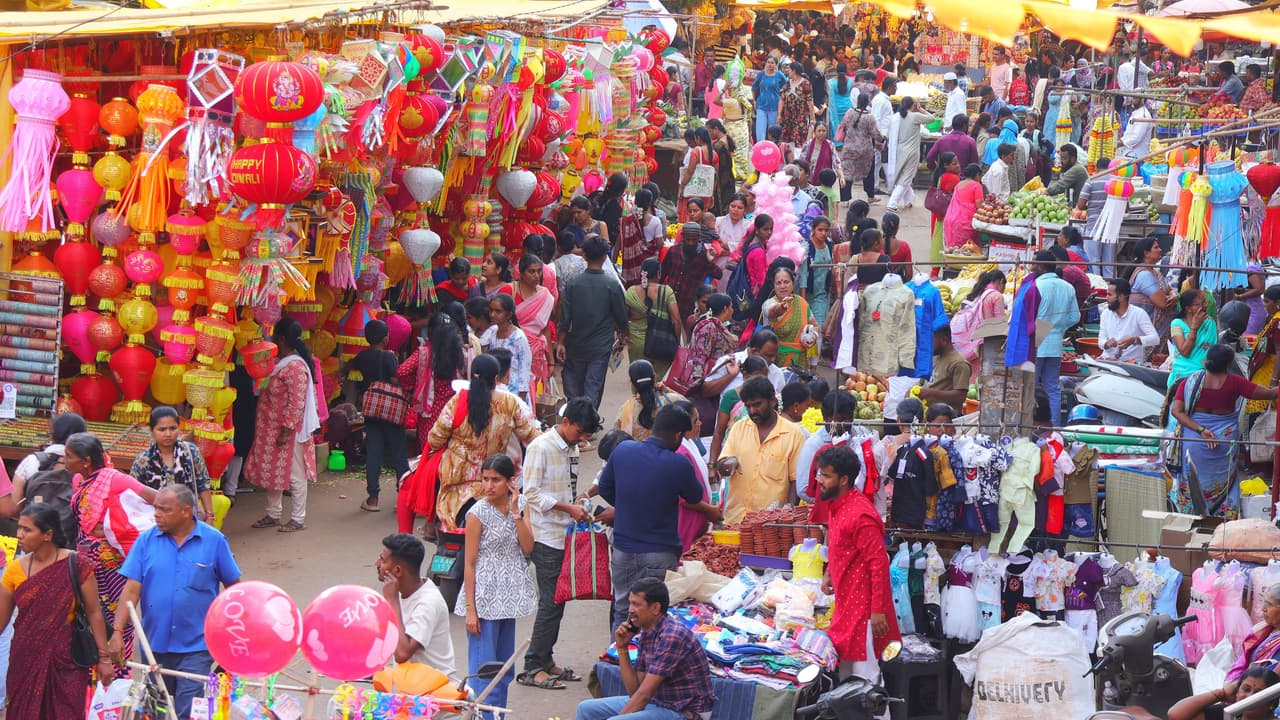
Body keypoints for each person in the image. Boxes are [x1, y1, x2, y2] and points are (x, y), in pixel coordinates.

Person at [112, 485, 241, 718]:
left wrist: (233, 633)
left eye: (165, 509)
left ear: (186, 511)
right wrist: (117, 632)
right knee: (158, 710)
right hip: (154, 645)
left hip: (197, 646)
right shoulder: (145, 541)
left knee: (187, 710)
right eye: (156, 508)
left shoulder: (214, 541)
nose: (157, 515)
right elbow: (130, 591)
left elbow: (234, 590)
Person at [601, 406, 722, 631]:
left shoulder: (623, 450)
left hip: (623, 551)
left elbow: (605, 488)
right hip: (659, 553)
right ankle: (647, 654)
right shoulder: (678, 463)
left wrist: (629, 505)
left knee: (623, 610)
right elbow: (694, 496)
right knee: (654, 617)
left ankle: (619, 653)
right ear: (677, 435)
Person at [0, 503, 115, 719]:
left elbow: (94, 613)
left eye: (27, 529)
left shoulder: (77, 565)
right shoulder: (14, 570)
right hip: (24, 658)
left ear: (47, 535)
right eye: (19, 528)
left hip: (66, 660)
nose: (19, 535)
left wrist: (104, 659)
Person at [518, 398, 600, 690]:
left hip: (565, 533)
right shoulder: (540, 447)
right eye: (579, 432)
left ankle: (545, 658)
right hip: (545, 536)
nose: (582, 439)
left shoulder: (572, 448)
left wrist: (578, 504)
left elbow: (568, 489)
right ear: (565, 423)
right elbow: (531, 494)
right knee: (551, 603)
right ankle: (532, 666)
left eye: (586, 435)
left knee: (558, 601)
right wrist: (567, 508)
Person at [66, 431, 156, 673]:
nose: (65, 460)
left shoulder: (115, 479)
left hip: (113, 568)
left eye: (69, 456)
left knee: (117, 620)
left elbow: (157, 499)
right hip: (86, 565)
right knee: (89, 617)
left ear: (86, 461)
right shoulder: (79, 481)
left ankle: (119, 676)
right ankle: (95, 674)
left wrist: (113, 527)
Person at [456, 455, 535, 714]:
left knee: (504, 669)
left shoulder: (520, 505)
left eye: (496, 480)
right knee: (484, 671)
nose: (489, 486)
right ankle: (481, 716)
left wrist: (516, 513)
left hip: (508, 598)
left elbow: (528, 546)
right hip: (484, 598)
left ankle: (497, 715)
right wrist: (471, 610)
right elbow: (469, 564)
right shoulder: (477, 513)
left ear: (510, 482)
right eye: (485, 479)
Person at [574, 578, 716, 720]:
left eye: (636, 604)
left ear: (655, 608)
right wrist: (622, 648)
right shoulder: (646, 632)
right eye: (630, 603)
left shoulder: (672, 636)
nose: (630, 610)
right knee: (585, 709)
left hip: (686, 711)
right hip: (658, 701)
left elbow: (643, 695)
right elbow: (635, 691)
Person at [816, 445, 899, 684]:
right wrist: (829, 572)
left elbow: (878, 565)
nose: (820, 481)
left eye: (826, 476)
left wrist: (877, 612)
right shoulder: (837, 504)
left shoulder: (861, 515)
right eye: (820, 474)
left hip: (863, 611)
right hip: (846, 604)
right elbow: (839, 546)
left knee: (865, 681)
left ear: (843, 480)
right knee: (847, 676)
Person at [431, 354, 541, 532]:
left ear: (471, 375)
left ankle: (432, 528)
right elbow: (530, 436)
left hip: (455, 481)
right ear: (496, 378)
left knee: (449, 528)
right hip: (493, 481)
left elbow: (435, 439)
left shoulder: (457, 402)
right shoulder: (509, 403)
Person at [1171, 344, 1278, 517]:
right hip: (1223, 442)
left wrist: (1201, 429)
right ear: (1228, 364)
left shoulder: (1189, 381)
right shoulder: (1236, 382)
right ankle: (1221, 521)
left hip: (1194, 440)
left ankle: (1191, 518)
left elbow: (1176, 411)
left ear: (1207, 361)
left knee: (1192, 481)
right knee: (1225, 481)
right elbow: (1270, 394)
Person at [247, 318, 319, 532]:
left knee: (295, 474)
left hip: (290, 430)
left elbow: (296, 402)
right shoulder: (280, 364)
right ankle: (273, 514)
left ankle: (298, 518)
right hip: (272, 428)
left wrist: (286, 430)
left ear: (281, 339)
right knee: (274, 472)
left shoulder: (295, 367)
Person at [715, 376, 808, 525]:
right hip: (734, 521)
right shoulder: (739, 428)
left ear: (772, 401)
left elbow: (795, 480)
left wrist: (788, 513)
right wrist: (727, 463)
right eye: (748, 406)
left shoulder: (793, 434)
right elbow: (721, 464)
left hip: (770, 525)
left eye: (757, 404)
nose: (752, 411)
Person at [558, 237, 628, 410]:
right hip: (600, 346)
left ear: (584, 255)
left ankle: (575, 417)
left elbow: (565, 318)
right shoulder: (612, 285)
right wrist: (623, 334)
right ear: (605, 257)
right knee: (593, 386)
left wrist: (560, 342)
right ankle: (588, 419)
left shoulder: (573, 284)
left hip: (575, 344)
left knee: (574, 386)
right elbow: (621, 317)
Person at [377, 533, 458, 681]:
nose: (377, 564)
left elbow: (402, 653)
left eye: (382, 560)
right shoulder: (400, 591)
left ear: (398, 571)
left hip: (435, 690)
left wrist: (392, 601)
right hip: (407, 685)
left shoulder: (428, 603)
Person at [349, 320, 409, 512]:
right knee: (399, 454)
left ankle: (373, 498)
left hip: (372, 409)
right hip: (391, 409)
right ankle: (404, 499)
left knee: (374, 452)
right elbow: (395, 379)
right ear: (385, 339)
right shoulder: (389, 356)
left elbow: (352, 373)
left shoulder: (361, 357)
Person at [129, 406, 215, 520]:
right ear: (152, 431)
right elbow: (134, 495)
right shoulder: (143, 461)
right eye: (162, 429)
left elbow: (203, 484)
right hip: (156, 522)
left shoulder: (190, 451)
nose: (168, 434)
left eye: (173, 428)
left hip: (189, 520)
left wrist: (210, 516)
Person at [1032, 250, 1080, 424]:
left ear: (1041, 266)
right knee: (1052, 387)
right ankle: (1056, 426)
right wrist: (1059, 327)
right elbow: (1075, 317)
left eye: (1034, 263)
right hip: (1055, 342)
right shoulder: (1067, 287)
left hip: (1037, 339)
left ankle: (1029, 425)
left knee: (1030, 386)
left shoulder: (1036, 285)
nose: (1031, 267)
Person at [625, 258, 684, 379]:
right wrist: (677, 342)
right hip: (661, 342)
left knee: (639, 377)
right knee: (658, 379)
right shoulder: (666, 291)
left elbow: (624, 317)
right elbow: (676, 320)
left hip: (636, 342)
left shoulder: (631, 291)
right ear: (658, 274)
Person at [670, 400, 715, 553]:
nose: (700, 424)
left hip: (698, 518)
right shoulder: (681, 452)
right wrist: (709, 510)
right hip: (687, 520)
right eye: (696, 421)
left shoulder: (690, 444)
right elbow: (684, 497)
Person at [13, 412, 86, 505]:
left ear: (52, 434)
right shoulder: (86, 465)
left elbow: (14, 505)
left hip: (36, 513)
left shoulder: (32, 461)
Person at [759, 265, 818, 369]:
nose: (782, 286)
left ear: (793, 284)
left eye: (786, 282)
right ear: (774, 286)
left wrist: (813, 337)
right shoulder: (768, 304)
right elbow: (773, 311)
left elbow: (815, 326)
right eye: (778, 283)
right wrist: (782, 306)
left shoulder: (801, 302)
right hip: (776, 362)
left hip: (801, 361)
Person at [1170, 667, 1280, 720]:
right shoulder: (1227, 713)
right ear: (1236, 693)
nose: (1250, 697)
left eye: (1259, 693)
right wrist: (1221, 693)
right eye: (1246, 689)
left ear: (1271, 703)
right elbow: (1176, 715)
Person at [616, 360, 686, 442]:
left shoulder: (625, 410)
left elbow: (617, 437)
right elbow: (690, 409)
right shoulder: (672, 401)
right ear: (654, 378)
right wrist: (667, 390)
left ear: (632, 383)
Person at [885, 97, 935, 212]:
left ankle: (908, 200)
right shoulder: (914, 116)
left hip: (898, 151)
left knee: (904, 176)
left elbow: (888, 135)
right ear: (913, 106)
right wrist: (920, 109)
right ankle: (892, 203)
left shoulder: (895, 118)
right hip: (911, 152)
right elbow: (932, 118)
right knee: (906, 177)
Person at [481, 293, 533, 402]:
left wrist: (521, 398)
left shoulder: (518, 338)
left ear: (509, 315)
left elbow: (524, 369)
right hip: (495, 387)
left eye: (498, 311)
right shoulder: (492, 332)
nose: (492, 314)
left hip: (513, 390)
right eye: (491, 310)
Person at [1226, 585, 1280, 683]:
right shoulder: (1262, 630)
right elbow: (1242, 660)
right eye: (1263, 602)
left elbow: (1268, 680)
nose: (1263, 609)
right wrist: (1231, 681)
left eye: (1269, 605)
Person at [836, 93, 885, 203]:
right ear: (867, 103)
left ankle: (845, 200)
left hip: (848, 148)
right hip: (865, 150)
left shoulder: (849, 113)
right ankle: (870, 196)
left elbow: (843, 126)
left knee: (846, 173)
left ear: (857, 101)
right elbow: (875, 133)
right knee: (869, 172)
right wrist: (882, 139)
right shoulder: (869, 117)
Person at [1099, 277, 1159, 363]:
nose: (1106, 298)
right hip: (1108, 361)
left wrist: (1135, 340)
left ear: (1121, 297)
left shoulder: (1139, 313)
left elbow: (1155, 339)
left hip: (1131, 364)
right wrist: (1106, 344)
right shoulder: (1106, 313)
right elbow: (1101, 341)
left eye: (1110, 295)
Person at [1129, 237, 1177, 340]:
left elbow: (1170, 290)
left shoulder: (1156, 273)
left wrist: (1174, 295)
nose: (1160, 250)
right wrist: (1173, 298)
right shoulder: (1144, 275)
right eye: (1156, 247)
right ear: (1146, 253)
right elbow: (1163, 303)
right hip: (1146, 331)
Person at [1170, 289, 1218, 390]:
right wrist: (1194, 327)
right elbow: (1184, 351)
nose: (1204, 307)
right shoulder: (1176, 324)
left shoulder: (1209, 323)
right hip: (1182, 374)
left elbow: (1213, 351)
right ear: (1188, 308)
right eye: (1198, 304)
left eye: (1204, 303)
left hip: (1204, 374)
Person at [918, 326, 972, 409]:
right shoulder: (933, 357)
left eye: (930, 341)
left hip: (945, 415)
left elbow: (960, 396)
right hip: (926, 412)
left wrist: (931, 393)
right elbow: (922, 383)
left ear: (944, 340)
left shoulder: (959, 363)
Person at [1247, 285, 1280, 412]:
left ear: (1277, 303)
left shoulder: (1278, 322)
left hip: (1270, 371)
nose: (1264, 305)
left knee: (1259, 409)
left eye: (1266, 301)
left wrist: (1273, 381)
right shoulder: (1274, 318)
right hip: (1267, 368)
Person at [928, 152, 961, 276]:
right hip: (948, 214)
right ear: (946, 165)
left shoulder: (941, 175)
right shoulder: (953, 178)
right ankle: (938, 271)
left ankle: (934, 271)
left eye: (957, 163)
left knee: (937, 239)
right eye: (954, 164)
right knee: (945, 241)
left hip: (938, 213)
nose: (957, 166)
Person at [799, 215, 835, 327]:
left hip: (823, 294)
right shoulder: (806, 248)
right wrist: (803, 302)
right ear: (813, 229)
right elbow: (803, 275)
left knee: (819, 326)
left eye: (826, 230)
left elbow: (831, 268)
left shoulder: (829, 245)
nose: (824, 233)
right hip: (808, 293)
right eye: (820, 230)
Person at [944, 163, 984, 249]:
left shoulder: (958, 184)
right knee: (968, 250)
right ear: (977, 174)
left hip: (952, 220)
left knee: (954, 250)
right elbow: (979, 206)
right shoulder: (976, 185)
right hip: (965, 222)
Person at [679, 129, 716, 221]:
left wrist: (682, 186)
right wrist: (712, 194)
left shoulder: (697, 151)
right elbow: (715, 177)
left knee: (689, 214)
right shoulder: (714, 154)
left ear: (698, 138)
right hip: (706, 192)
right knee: (701, 217)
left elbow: (690, 171)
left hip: (693, 190)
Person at [778, 61, 815, 149]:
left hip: (800, 117)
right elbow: (782, 99)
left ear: (794, 71)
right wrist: (779, 114)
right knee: (786, 140)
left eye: (789, 70)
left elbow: (810, 101)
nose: (788, 71)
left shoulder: (805, 84)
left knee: (799, 139)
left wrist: (812, 118)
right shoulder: (787, 83)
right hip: (787, 117)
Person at [752, 56, 785, 142]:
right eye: (768, 62)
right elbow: (754, 87)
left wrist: (783, 97)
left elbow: (786, 86)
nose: (770, 64)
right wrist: (754, 101)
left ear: (776, 64)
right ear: (765, 63)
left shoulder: (779, 75)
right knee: (760, 129)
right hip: (761, 105)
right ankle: (760, 146)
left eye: (772, 63)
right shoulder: (761, 74)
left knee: (772, 129)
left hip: (774, 105)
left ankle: (772, 146)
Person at [828, 62, 857, 144]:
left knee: (837, 125)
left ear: (836, 70)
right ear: (846, 70)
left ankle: (837, 142)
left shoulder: (831, 82)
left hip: (835, 108)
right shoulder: (851, 81)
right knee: (847, 125)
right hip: (848, 106)